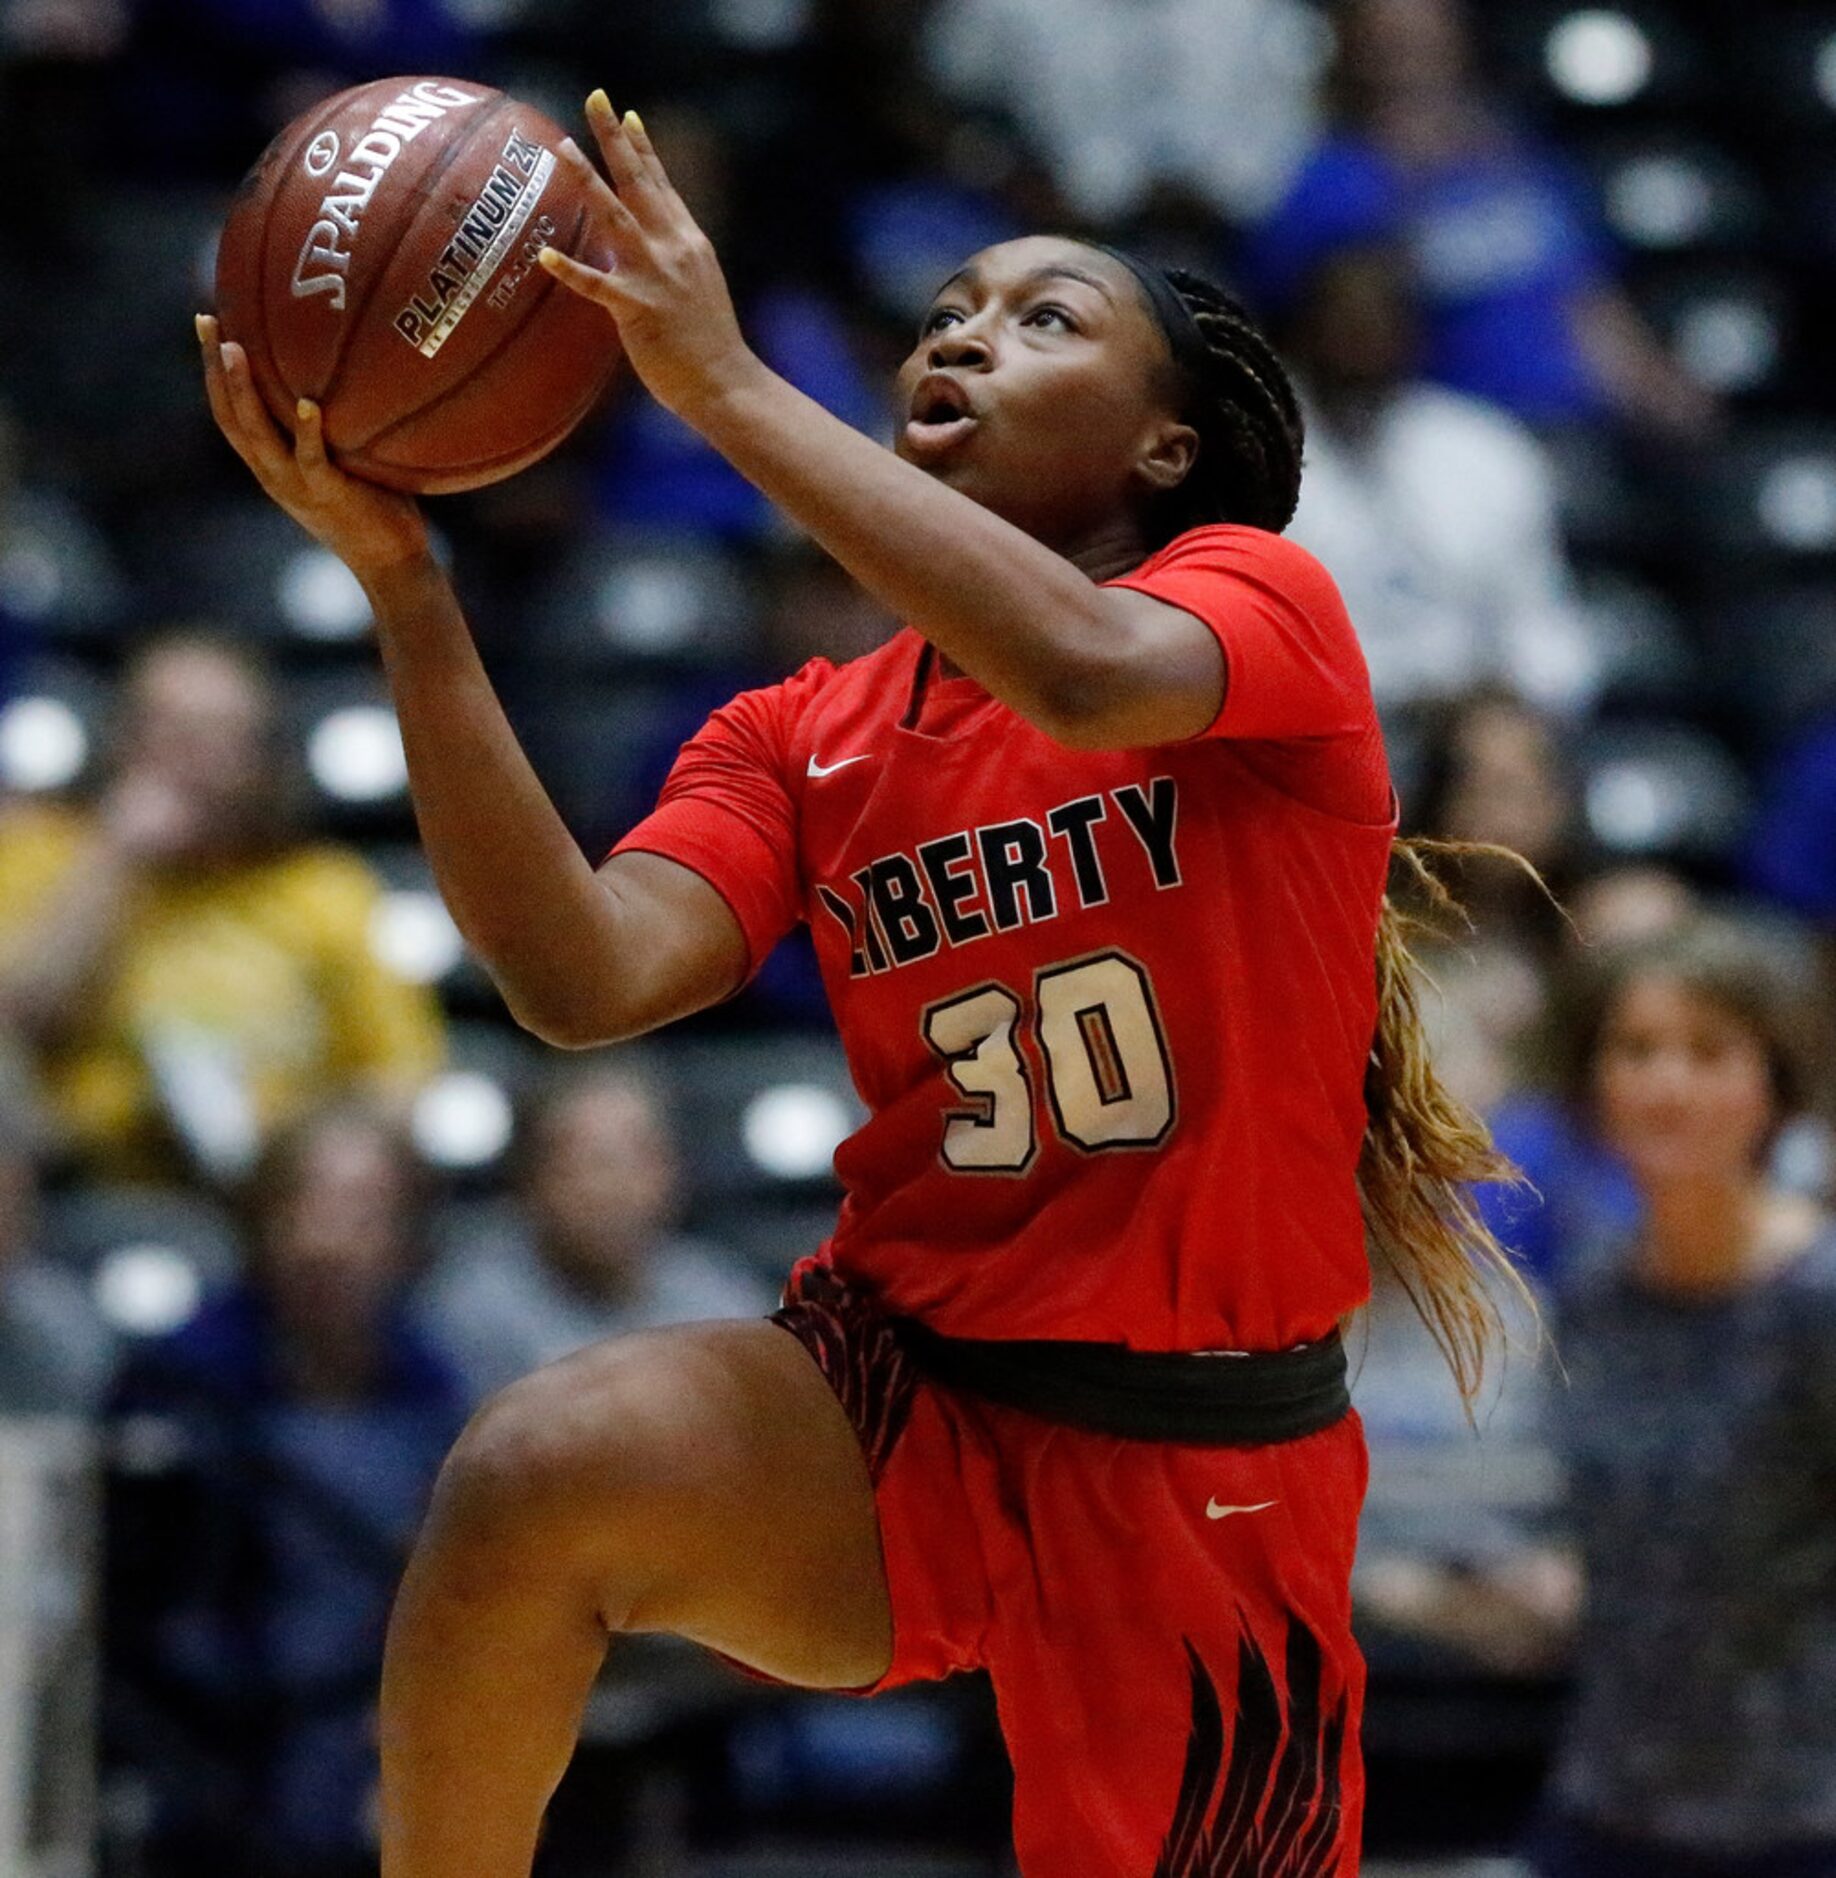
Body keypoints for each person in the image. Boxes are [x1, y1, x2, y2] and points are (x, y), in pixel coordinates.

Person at [197, 94, 1527, 1877]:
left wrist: (726, 387)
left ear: (1157, 450)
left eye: (1047, 316)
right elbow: (580, 978)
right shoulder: (805, 733)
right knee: (535, 1472)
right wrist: (405, 591)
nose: (968, 327)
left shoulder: (1255, 606)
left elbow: (1077, 669)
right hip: (909, 1398)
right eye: (951, 307)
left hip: (1196, 1468)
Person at [1494, 921, 1836, 1877]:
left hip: (1800, 1822)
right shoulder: (1595, 1293)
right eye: (1637, 1051)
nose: (1668, 1084)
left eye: (1709, 1052)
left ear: (1775, 1088)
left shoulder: (1819, 1302)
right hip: (1606, 1807)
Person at [105, 1101, 468, 1878]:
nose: (327, 1240)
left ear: (408, 1242)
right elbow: (140, 1630)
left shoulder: (438, 1394)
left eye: (361, 1212)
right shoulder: (175, 1384)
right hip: (213, 1762)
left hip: (377, 1743)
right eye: (306, 1203)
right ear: (259, 1221)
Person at [0, 632, 445, 1182]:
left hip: (271, 1187)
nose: (184, 756)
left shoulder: (324, 889)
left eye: (213, 735)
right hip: (77, 1176)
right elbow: (18, 1023)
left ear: (261, 758)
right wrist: (114, 859)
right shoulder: (41, 853)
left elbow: (400, 1080)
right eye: (161, 726)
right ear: (118, 737)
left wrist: (283, 1137)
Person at [1250, 0, 1714, 440]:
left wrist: (1660, 389)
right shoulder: (1332, 181)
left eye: (1424, 31)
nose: (1408, 50)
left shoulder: (1516, 160)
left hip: (1582, 427)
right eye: (1387, 37)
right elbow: (1319, 332)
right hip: (1443, 434)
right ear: (1354, 49)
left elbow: (1586, 303)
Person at [1280, 235, 1600, 719]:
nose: (1362, 344)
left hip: (1469, 732)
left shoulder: (1486, 451)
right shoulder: (1248, 464)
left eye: (1378, 324)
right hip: (1317, 732)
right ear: (1303, 333)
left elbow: (1543, 629)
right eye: (1345, 324)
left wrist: (1508, 700)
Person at [419, 1062, 771, 1404]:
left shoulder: (722, 1303)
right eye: (588, 1163)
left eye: (636, 1159)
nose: (614, 1188)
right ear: (528, 1178)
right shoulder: (464, 1314)